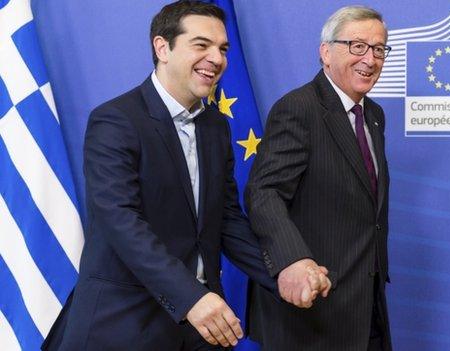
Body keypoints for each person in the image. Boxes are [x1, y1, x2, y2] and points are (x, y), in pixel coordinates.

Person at [41, 2, 327, 350]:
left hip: (201, 328)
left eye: (222, 49)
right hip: (125, 324)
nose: (217, 59)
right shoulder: (116, 120)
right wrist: (191, 297)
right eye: (201, 44)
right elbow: (120, 220)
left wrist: (282, 270)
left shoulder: (215, 126)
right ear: (162, 48)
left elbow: (225, 220)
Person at [245, 5, 392, 351]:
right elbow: (263, 192)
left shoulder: (373, 115)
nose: (369, 59)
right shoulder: (299, 108)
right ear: (325, 52)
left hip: (365, 305)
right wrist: (292, 261)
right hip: (310, 311)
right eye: (357, 46)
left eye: (379, 49)